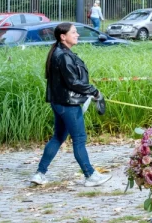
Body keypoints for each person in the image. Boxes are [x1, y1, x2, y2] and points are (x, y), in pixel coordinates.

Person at [29, 22, 112, 187]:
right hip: (68, 105)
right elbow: (73, 82)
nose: (77, 35)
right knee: (79, 139)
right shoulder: (63, 56)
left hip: (59, 103)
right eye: (73, 32)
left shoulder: (58, 52)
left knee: (58, 137)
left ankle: (39, 174)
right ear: (63, 36)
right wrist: (94, 92)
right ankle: (90, 175)